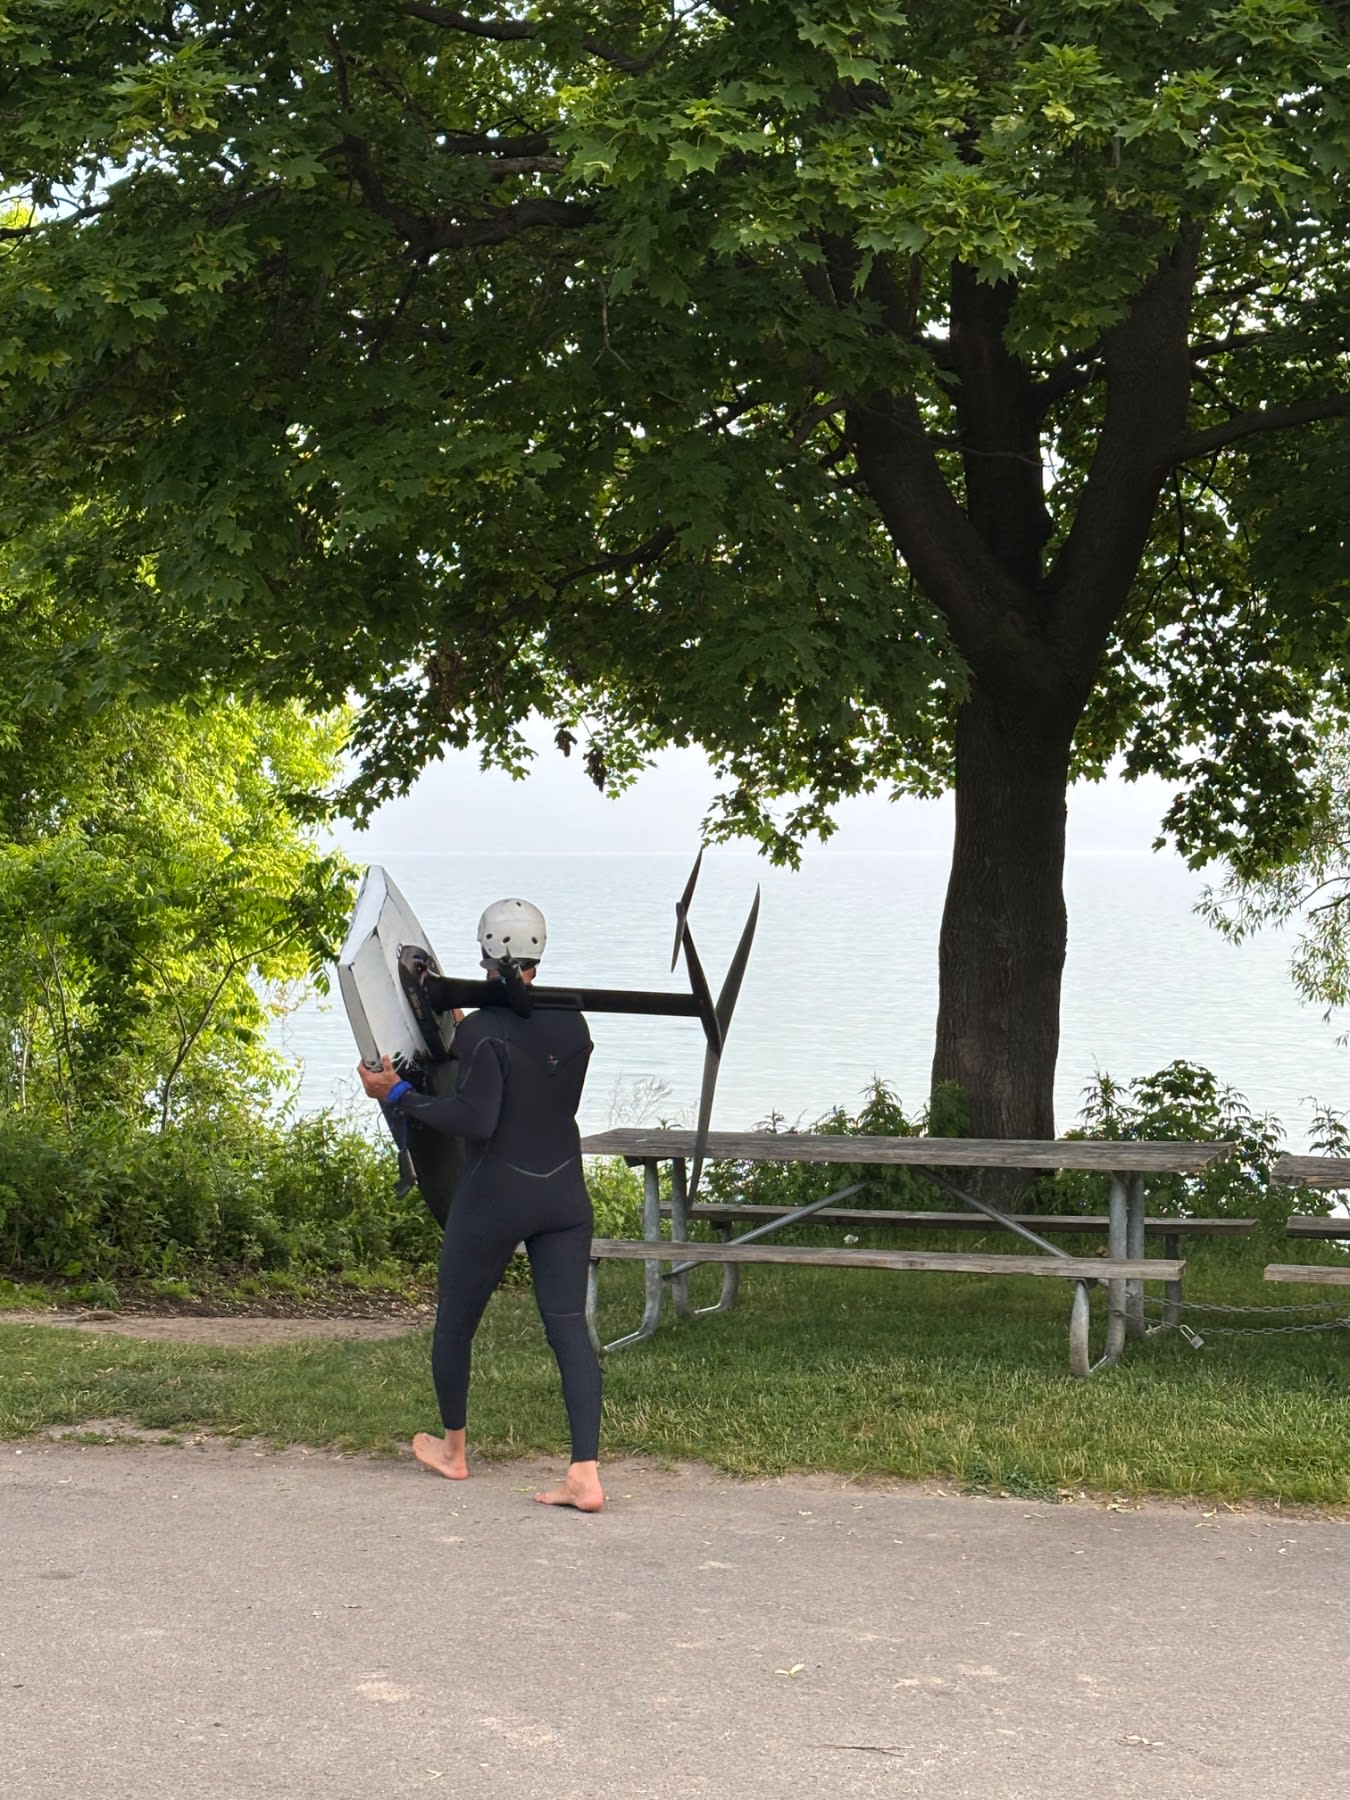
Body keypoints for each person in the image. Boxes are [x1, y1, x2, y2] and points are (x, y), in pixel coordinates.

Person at [357, 897, 604, 1513]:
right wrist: (470, 1030)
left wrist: (400, 1092)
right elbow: (529, 1075)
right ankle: (586, 1474)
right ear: (537, 957)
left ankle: (454, 1451)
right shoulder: (573, 1024)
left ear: (489, 955)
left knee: (457, 1322)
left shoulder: (481, 1032)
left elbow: (476, 1118)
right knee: (569, 1329)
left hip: (497, 1194)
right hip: (564, 1193)